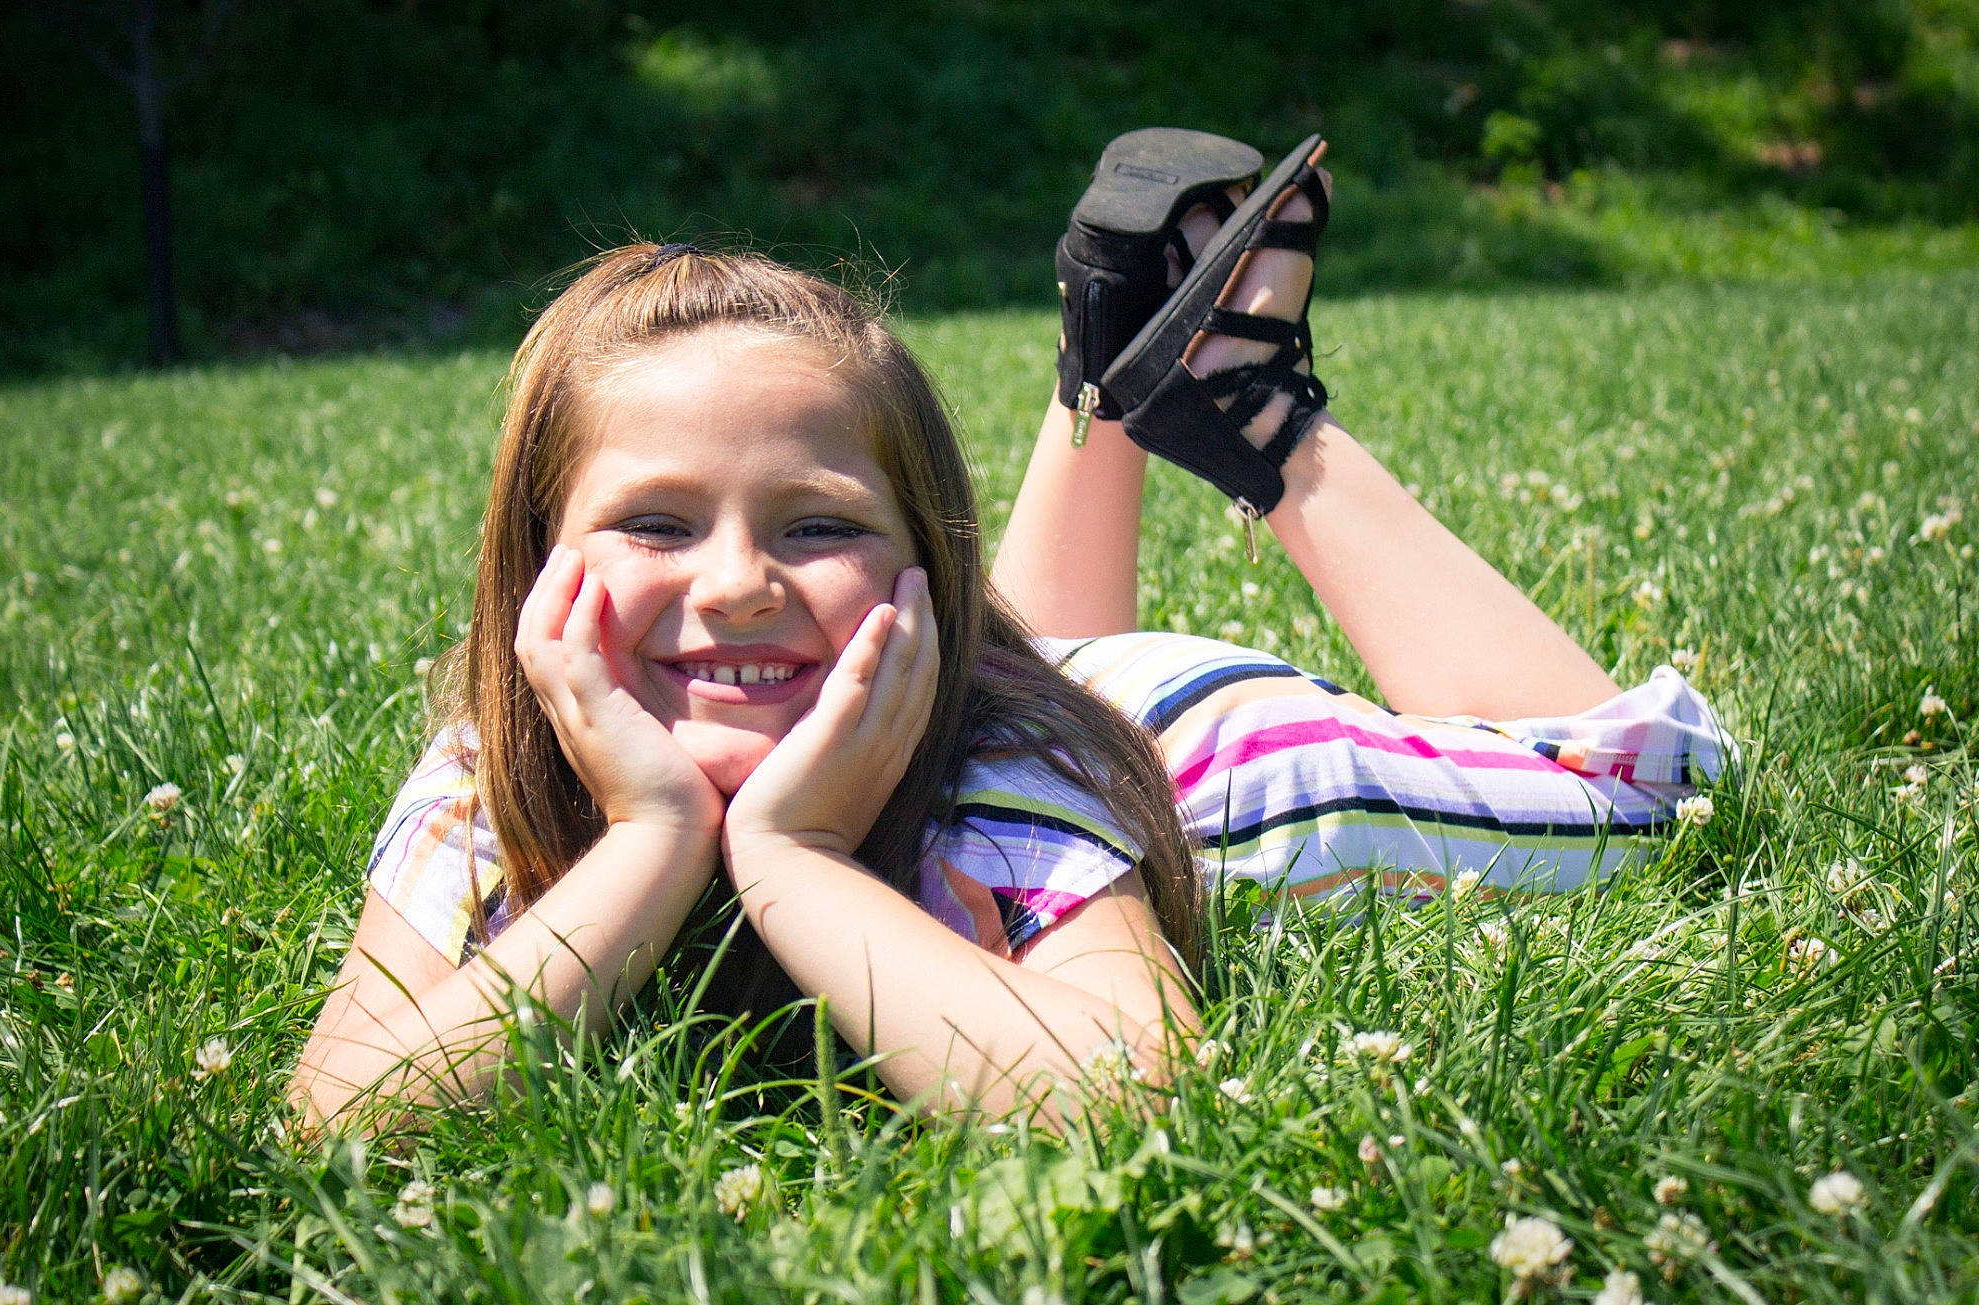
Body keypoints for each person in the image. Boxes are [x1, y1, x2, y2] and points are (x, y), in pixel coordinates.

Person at [293, 132, 1729, 1131]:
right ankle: (1112, 352)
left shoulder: (1007, 780)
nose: (735, 582)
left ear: (929, 569)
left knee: (1657, 782)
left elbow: (1126, 1095)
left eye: (817, 523)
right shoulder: (494, 773)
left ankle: (1249, 409)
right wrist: (652, 839)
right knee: (1011, 671)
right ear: (537, 575)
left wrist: (786, 855)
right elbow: (341, 1112)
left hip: (1197, 758)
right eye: (657, 524)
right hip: (1029, 674)